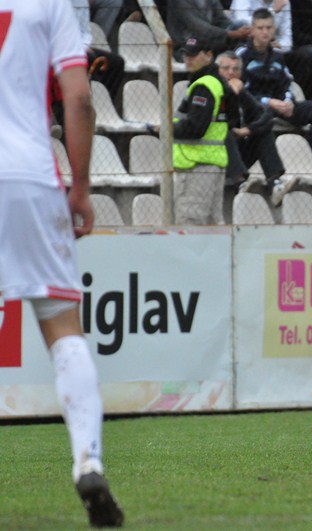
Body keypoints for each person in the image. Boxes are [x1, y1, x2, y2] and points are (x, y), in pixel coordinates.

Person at [0, 1, 124, 526]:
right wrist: (80, 187)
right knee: (64, 329)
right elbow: (78, 97)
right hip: (28, 177)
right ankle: (88, 460)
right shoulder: (47, 3)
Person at [237, 8, 312, 167]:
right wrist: (268, 102)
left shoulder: (278, 55)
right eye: (260, 28)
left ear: (274, 29)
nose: (265, 32)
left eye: (268, 28)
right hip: (256, 107)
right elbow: (242, 92)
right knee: (264, 113)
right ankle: (250, 167)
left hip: (281, 106)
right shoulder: (242, 55)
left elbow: (286, 83)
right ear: (252, 30)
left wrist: (288, 101)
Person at [216, 51, 299, 206]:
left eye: (235, 69)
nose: (231, 73)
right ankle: (239, 183)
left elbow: (265, 116)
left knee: (263, 131)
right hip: (215, 156)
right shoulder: (209, 91)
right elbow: (216, 122)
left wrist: (247, 130)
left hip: (237, 156)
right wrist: (230, 93)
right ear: (217, 71)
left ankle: (274, 184)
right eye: (226, 68)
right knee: (224, 132)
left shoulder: (242, 92)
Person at [173, 37, 233, 224]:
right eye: (186, 55)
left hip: (197, 165)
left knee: (190, 223)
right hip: (210, 162)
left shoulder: (203, 86)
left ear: (209, 56)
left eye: (193, 55)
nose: (188, 59)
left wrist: (167, 129)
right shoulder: (217, 82)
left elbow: (195, 128)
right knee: (212, 226)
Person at [166, 0, 251, 60]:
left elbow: (222, 20)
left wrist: (240, 31)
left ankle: (242, 58)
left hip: (210, 41)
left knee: (240, 24)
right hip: (188, 45)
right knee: (235, 34)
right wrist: (232, 34)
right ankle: (238, 58)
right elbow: (200, 30)